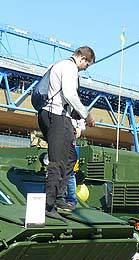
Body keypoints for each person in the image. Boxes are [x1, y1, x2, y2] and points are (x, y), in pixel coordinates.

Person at [38, 46, 96, 222]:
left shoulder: (57, 65)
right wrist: (86, 115)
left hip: (53, 115)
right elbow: (69, 94)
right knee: (59, 161)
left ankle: (59, 197)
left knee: (70, 157)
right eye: (87, 64)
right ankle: (48, 205)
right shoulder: (70, 67)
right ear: (82, 58)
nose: (85, 68)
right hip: (56, 116)